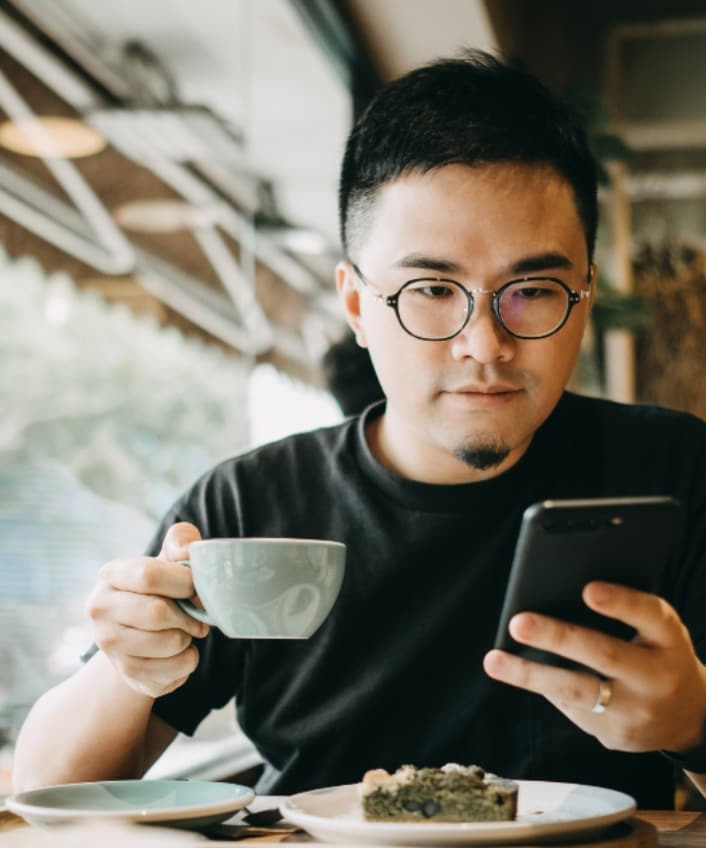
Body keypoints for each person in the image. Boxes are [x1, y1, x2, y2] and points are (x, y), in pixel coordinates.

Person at [13, 49, 706, 810]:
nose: (484, 343)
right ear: (355, 306)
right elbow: (47, 791)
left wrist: (695, 723)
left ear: (585, 293)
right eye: (431, 289)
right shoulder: (251, 508)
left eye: (533, 290)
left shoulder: (673, 469)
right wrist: (129, 666)